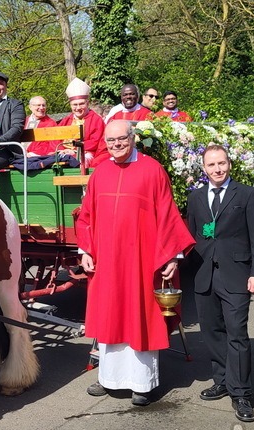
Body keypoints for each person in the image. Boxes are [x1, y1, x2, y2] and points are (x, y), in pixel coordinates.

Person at [77, 120, 195, 406]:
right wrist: (86, 250)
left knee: (139, 315)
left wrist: (171, 256)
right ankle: (109, 379)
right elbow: (86, 216)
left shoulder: (152, 170)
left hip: (140, 261)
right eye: (111, 140)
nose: (116, 144)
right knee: (110, 315)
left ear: (132, 138)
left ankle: (143, 383)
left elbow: (168, 214)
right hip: (106, 261)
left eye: (121, 139)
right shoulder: (100, 172)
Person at [186, 145, 254, 422]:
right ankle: (222, 380)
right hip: (204, 274)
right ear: (204, 168)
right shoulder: (196, 197)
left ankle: (241, 393)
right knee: (212, 332)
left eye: (221, 163)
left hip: (237, 275)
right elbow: (191, 236)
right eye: (211, 165)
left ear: (229, 164)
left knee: (237, 334)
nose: (217, 169)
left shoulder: (246, 195)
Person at [57, 78, 111, 168]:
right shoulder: (65, 121)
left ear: (87, 103)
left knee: (81, 161)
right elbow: (55, 140)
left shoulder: (96, 120)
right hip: (64, 152)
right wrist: (62, 149)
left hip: (86, 153)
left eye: (81, 104)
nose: (78, 108)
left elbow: (95, 142)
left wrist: (75, 150)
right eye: (75, 104)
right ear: (70, 105)